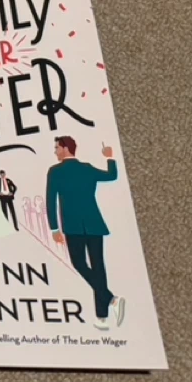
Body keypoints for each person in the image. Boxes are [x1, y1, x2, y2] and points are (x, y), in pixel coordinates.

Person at [46, 136, 126, 330]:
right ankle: (103, 315)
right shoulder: (87, 168)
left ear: (66, 148)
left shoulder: (55, 171)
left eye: (57, 148)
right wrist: (110, 157)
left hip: (73, 225)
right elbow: (111, 176)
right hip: (94, 223)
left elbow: (51, 201)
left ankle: (109, 304)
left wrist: (54, 228)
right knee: (98, 266)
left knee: (80, 264)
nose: (55, 151)